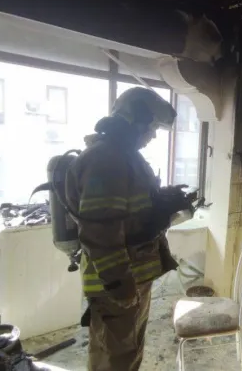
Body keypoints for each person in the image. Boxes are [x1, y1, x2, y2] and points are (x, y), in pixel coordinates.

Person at [66, 87, 185, 371]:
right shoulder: (107, 160)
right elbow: (101, 231)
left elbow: (127, 211)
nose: (153, 135)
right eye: (152, 127)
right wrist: (121, 287)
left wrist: (161, 204)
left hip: (131, 279)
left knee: (119, 352)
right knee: (118, 359)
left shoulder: (122, 156)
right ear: (137, 120)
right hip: (118, 284)